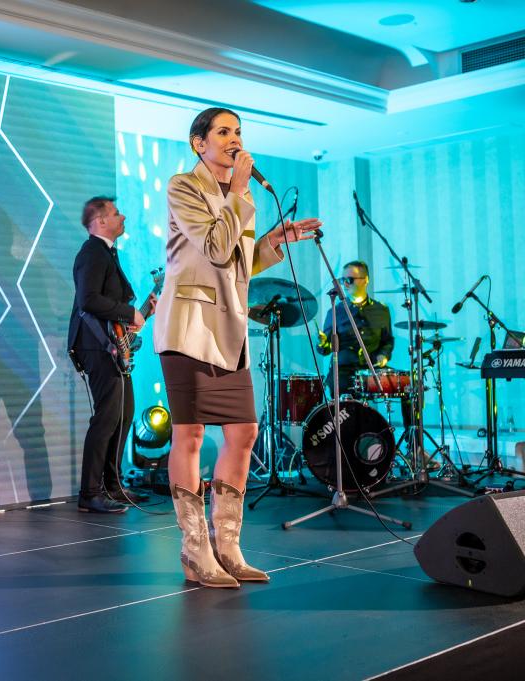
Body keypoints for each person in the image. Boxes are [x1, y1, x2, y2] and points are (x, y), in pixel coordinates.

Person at [153, 107, 321, 587]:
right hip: (189, 327)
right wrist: (239, 193)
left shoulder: (238, 196)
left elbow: (236, 263)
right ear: (199, 143)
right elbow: (213, 248)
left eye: (239, 132)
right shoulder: (184, 187)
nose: (235, 140)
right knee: (189, 434)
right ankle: (194, 551)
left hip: (229, 332)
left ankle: (227, 546)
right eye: (224, 132)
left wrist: (273, 241)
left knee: (244, 431)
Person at [68, 196, 154, 513]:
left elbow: (109, 306)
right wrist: (129, 312)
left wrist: (139, 312)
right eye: (117, 213)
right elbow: (88, 300)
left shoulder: (106, 252)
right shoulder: (92, 252)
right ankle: (90, 493)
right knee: (106, 417)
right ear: (101, 221)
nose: (123, 217)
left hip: (109, 344)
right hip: (96, 346)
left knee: (124, 413)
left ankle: (113, 485)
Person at [316, 260, 394, 396]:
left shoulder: (381, 310)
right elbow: (326, 349)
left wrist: (384, 355)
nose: (345, 284)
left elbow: (387, 341)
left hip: (372, 369)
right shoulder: (336, 311)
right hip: (344, 371)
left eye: (350, 280)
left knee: (406, 384)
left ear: (365, 280)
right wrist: (322, 343)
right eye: (343, 280)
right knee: (338, 387)